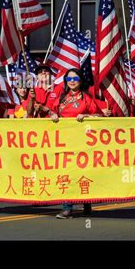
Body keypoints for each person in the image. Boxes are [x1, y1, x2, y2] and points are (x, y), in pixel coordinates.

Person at [48, 68, 102, 219]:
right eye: (69, 79)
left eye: (75, 79)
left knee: (82, 173)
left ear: (81, 81)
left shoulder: (86, 98)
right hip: (64, 142)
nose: (72, 81)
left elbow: (99, 115)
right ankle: (67, 208)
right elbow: (51, 112)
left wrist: (86, 116)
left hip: (83, 142)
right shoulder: (61, 99)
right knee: (66, 172)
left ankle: (86, 202)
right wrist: (52, 115)